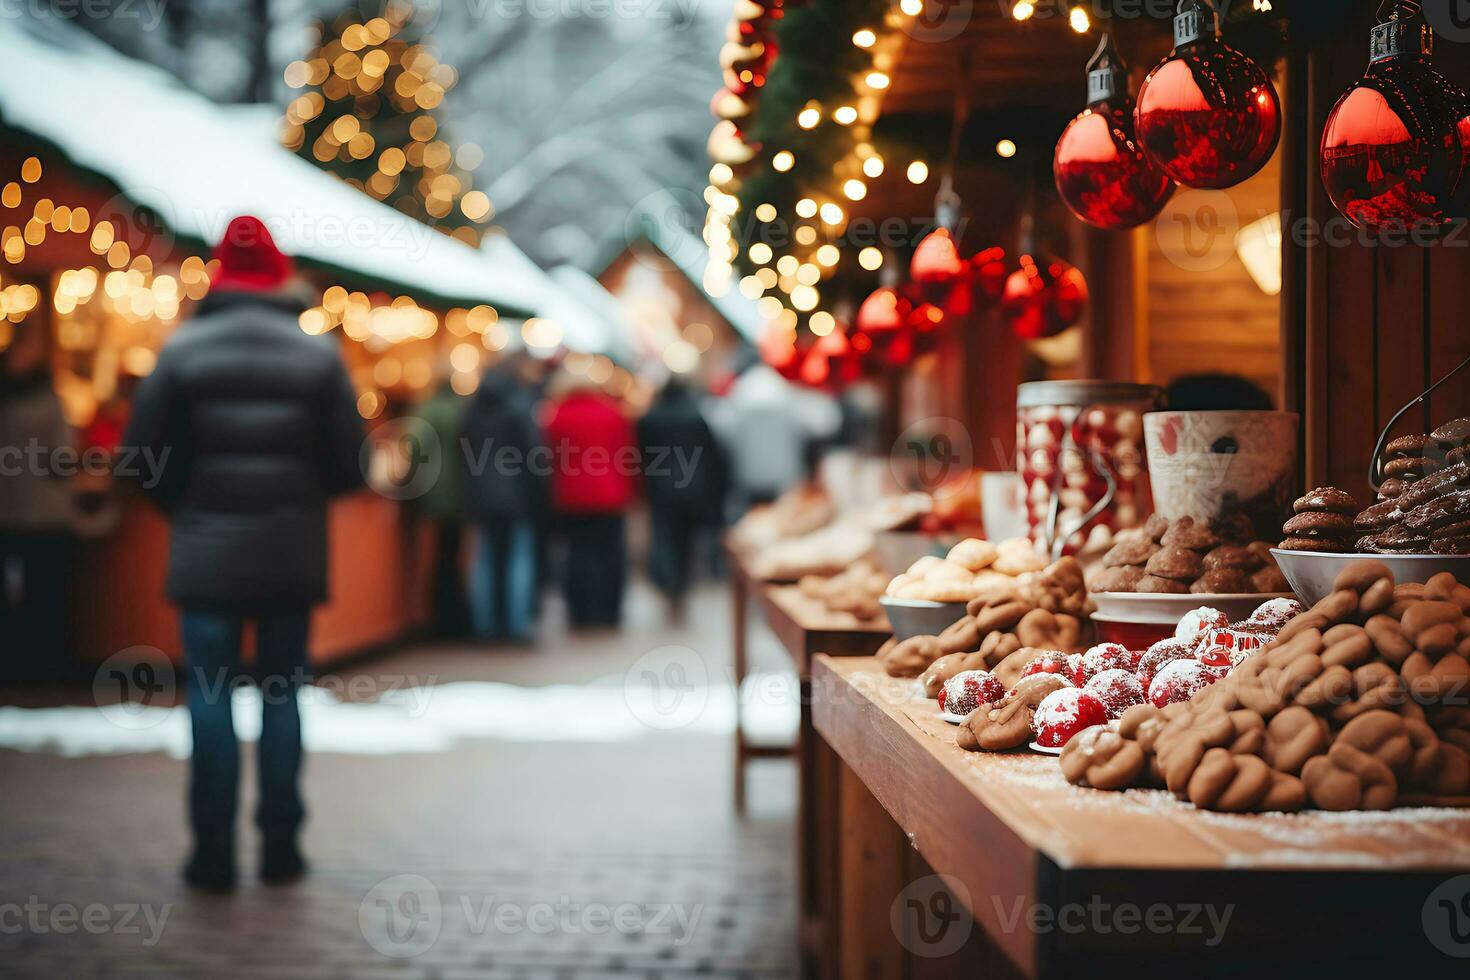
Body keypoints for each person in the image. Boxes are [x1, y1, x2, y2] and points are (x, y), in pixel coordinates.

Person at [124, 215, 364, 891]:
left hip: (204, 556)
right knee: (283, 695)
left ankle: (211, 852)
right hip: (291, 557)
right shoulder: (317, 355)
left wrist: (188, 509)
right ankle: (282, 846)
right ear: (279, 275)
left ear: (220, 273)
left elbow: (140, 459)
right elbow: (352, 464)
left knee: (209, 694)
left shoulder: (183, 350)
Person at [0, 317, 76, 683]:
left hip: (20, 508)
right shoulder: (49, 396)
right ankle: (44, 669)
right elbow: (62, 454)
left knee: (27, 596)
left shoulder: (23, 393)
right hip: (41, 509)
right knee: (46, 597)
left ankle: (21, 667)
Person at [461, 355, 544, 643]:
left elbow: (464, 451)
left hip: (480, 493)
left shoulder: (472, 410)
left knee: (485, 560)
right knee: (517, 559)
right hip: (516, 495)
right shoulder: (519, 409)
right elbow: (534, 457)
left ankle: (484, 625)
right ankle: (515, 625)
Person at [543, 374, 636, 628]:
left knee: (577, 553)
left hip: (571, 496)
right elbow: (626, 455)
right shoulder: (612, 413)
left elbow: (549, 458)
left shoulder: (556, 416)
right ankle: (607, 611)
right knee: (609, 554)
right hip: (609, 494)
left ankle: (580, 610)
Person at [636, 376, 725, 619]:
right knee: (687, 540)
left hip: (661, 488)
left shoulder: (650, 418)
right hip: (693, 488)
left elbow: (639, 456)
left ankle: (671, 584)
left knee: (665, 538)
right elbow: (710, 456)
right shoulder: (695, 417)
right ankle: (681, 584)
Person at [410, 377, 471, 639]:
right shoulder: (461, 409)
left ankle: (441, 617)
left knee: (441, 556)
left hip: (435, 490)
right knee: (452, 555)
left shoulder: (427, 410)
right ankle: (454, 618)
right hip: (461, 490)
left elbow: (415, 444)